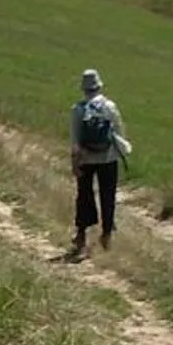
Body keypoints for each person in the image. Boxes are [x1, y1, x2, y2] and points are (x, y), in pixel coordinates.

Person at [66, 69, 132, 257]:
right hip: (108, 158)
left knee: (84, 195)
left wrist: (75, 161)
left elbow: (75, 140)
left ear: (83, 89)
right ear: (99, 86)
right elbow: (120, 132)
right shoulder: (110, 107)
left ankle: (81, 234)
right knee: (108, 195)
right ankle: (107, 234)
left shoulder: (78, 110)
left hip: (86, 158)